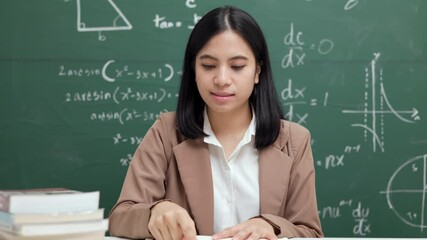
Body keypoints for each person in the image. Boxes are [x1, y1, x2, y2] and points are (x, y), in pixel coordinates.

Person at [109, 5, 323, 240]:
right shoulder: (166, 132)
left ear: (257, 71)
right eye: (208, 66)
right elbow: (121, 217)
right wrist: (154, 212)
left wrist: (271, 226)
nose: (221, 79)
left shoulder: (294, 140)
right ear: (194, 69)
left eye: (237, 66)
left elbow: (309, 232)